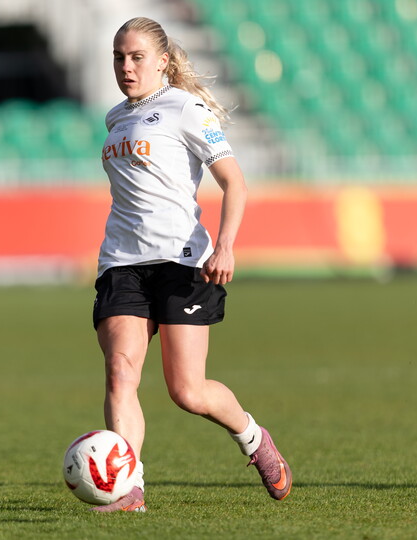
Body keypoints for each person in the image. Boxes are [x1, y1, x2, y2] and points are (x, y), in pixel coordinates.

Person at [89, 17, 291, 513]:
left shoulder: (185, 108)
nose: (126, 66)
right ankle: (128, 487)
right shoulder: (116, 116)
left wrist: (225, 245)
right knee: (120, 373)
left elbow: (235, 182)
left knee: (188, 390)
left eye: (136, 57)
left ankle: (253, 438)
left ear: (162, 60)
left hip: (183, 262)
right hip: (122, 262)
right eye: (119, 57)